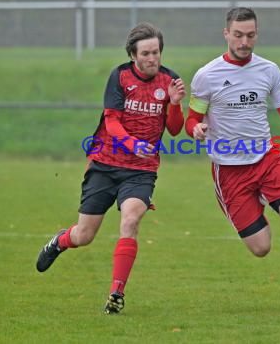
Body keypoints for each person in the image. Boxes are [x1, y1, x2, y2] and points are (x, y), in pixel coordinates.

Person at [185, 7, 280, 312]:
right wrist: (197, 128)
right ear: (226, 34)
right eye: (239, 35)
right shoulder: (206, 76)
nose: (245, 41)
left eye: (251, 35)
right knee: (261, 248)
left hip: (266, 159)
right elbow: (191, 119)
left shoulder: (269, 71)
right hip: (230, 172)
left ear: (257, 34)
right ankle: (255, 208)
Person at [35, 22, 186, 314]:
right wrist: (131, 144)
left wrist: (176, 104)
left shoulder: (170, 80)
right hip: (105, 165)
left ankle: (116, 294)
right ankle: (60, 241)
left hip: (142, 170)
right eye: (146, 53)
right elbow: (112, 121)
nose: (152, 58)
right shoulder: (120, 76)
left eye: (156, 52)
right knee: (84, 235)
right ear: (133, 54)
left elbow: (175, 129)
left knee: (130, 220)